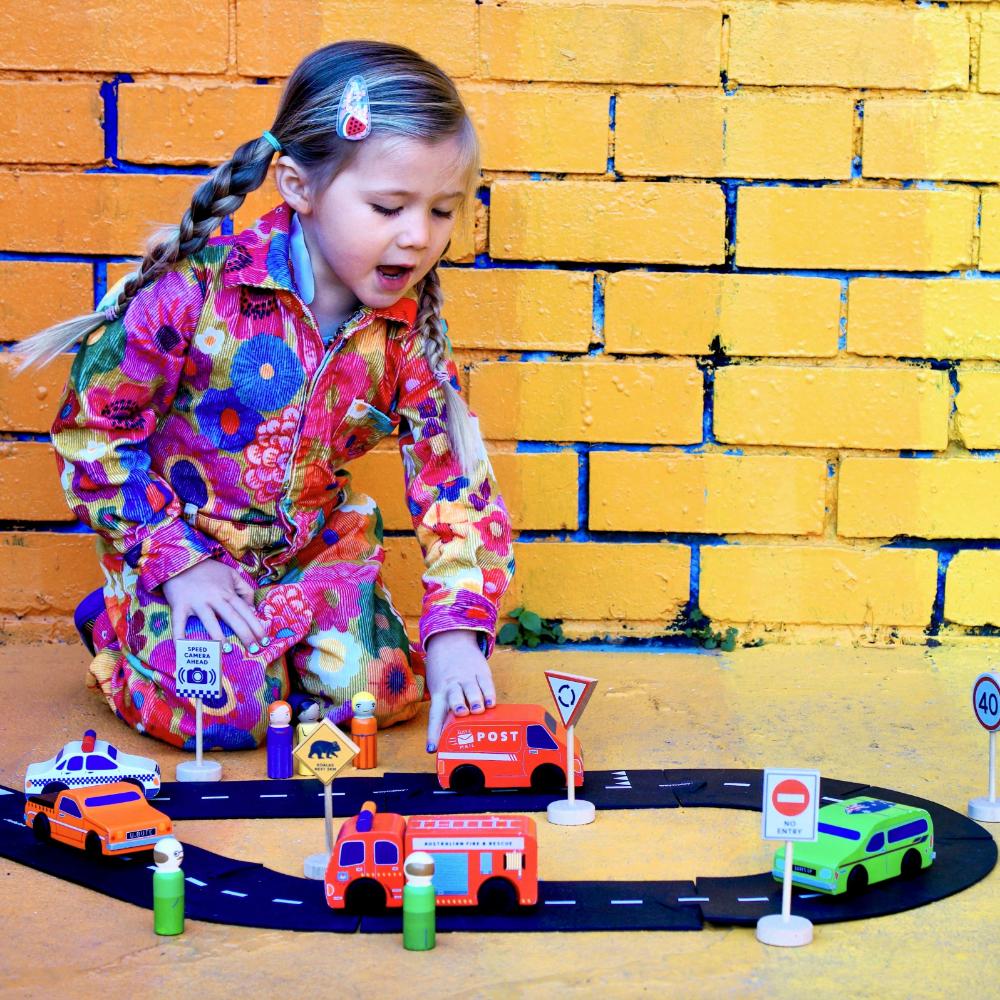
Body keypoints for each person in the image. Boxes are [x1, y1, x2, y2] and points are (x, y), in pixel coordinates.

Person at [18, 41, 513, 755]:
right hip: (194, 551)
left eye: (442, 210)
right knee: (227, 717)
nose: (419, 236)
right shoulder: (195, 291)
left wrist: (459, 633)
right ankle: (119, 617)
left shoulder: (408, 338)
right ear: (298, 186)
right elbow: (92, 433)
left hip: (312, 560)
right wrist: (173, 558)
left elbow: (454, 488)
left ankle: (295, 648)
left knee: (384, 696)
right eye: (388, 206)